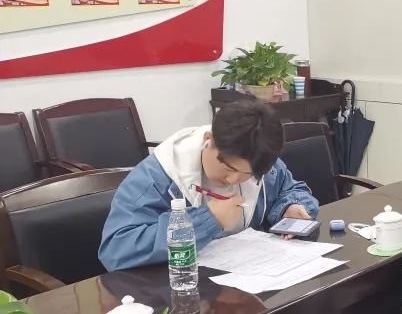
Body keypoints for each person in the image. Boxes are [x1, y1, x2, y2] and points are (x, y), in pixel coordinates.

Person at [99, 100, 319, 271]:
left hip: (253, 277)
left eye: (245, 174)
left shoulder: (259, 158)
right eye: (228, 167)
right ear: (208, 139)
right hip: (180, 289)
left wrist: (290, 208)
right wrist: (208, 219)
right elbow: (116, 249)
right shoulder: (157, 177)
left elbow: (292, 189)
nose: (232, 180)